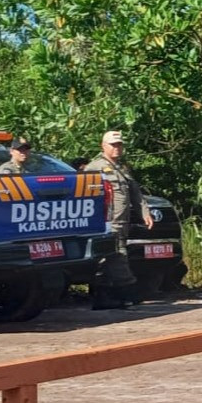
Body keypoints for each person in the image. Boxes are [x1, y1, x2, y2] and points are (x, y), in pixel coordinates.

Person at [86, 130, 154, 310]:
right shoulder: (95, 167)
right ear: (103, 146)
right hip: (107, 223)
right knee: (116, 255)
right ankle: (126, 291)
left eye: (119, 145)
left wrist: (144, 213)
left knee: (113, 257)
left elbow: (135, 193)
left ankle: (110, 298)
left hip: (123, 221)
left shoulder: (122, 168)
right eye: (113, 145)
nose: (117, 148)